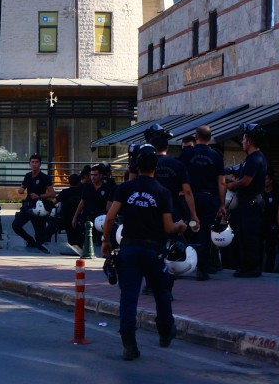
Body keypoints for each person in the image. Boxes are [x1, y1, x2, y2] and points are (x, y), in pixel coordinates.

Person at [102, 143, 188, 361]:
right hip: (153, 250)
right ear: (155, 167)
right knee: (161, 293)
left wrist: (105, 240)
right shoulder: (162, 192)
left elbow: (110, 217)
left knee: (128, 298)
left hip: (129, 248)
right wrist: (180, 226)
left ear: (136, 165)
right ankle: (165, 332)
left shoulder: (125, 188)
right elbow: (168, 228)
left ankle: (129, 344)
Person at [178, 125, 223, 280]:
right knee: (204, 232)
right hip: (209, 198)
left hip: (190, 197)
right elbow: (221, 182)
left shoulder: (186, 154)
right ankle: (202, 269)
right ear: (209, 138)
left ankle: (181, 265)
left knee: (185, 229)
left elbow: (179, 176)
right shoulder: (216, 156)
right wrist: (222, 204)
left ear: (196, 137)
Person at [226, 123, 268, 278]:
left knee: (250, 237)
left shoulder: (254, 159)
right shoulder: (253, 158)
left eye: (244, 139)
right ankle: (246, 266)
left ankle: (251, 268)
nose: (242, 142)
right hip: (248, 204)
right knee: (244, 236)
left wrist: (230, 185)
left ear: (249, 141)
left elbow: (246, 181)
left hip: (251, 205)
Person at [11, 154, 56, 253]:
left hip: (39, 208)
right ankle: (30, 241)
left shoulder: (45, 177)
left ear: (40, 164)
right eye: (32, 162)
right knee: (16, 226)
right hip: (27, 206)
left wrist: (39, 196)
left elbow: (52, 193)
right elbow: (22, 187)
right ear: (29, 164)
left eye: (36, 162)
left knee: (40, 234)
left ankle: (40, 246)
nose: (34, 164)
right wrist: (21, 190)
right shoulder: (27, 175)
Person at [71, 162, 116, 247]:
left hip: (100, 218)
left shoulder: (107, 187)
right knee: (86, 241)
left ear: (100, 175)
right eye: (91, 175)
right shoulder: (87, 187)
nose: (93, 177)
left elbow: (110, 205)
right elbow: (82, 202)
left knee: (99, 241)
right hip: (88, 217)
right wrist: (75, 217)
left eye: (95, 175)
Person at [57, 173, 84, 247]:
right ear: (79, 182)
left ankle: (72, 247)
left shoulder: (64, 192)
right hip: (79, 217)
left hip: (66, 217)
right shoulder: (82, 192)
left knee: (70, 234)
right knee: (79, 234)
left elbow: (54, 201)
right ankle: (79, 247)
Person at [261, 168, 279, 273]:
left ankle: (269, 271)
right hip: (259, 225)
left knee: (270, 249)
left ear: (271, 180)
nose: (263, 181)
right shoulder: (259, 192)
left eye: (266, 179)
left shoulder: (277, 193)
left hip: (272, 225)